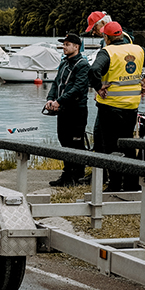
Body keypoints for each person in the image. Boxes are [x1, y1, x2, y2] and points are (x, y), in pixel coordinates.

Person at [88, 21, 145, 192]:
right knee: (128, 145)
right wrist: (144, 81)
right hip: (131, 106)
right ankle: (131, 184)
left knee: (110, 146)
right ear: (122, 34)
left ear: (107, 37)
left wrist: (98, 86)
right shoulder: (138, 50)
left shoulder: (107, 52)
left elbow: (93, 70)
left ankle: (115, 184)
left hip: (109, 106)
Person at [45, 33, 90, 187]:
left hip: (77, 111)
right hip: (63, 110)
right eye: (63, 44)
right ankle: (67, 174)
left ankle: (78, 176)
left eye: (67, 44)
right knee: (64, 141)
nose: (63, 47)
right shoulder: (64, 63)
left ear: (76, 47)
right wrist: (50, 99)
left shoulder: (83, 65)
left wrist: (59, 101)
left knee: (76, 144)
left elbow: (78, 89)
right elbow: (56, 83)